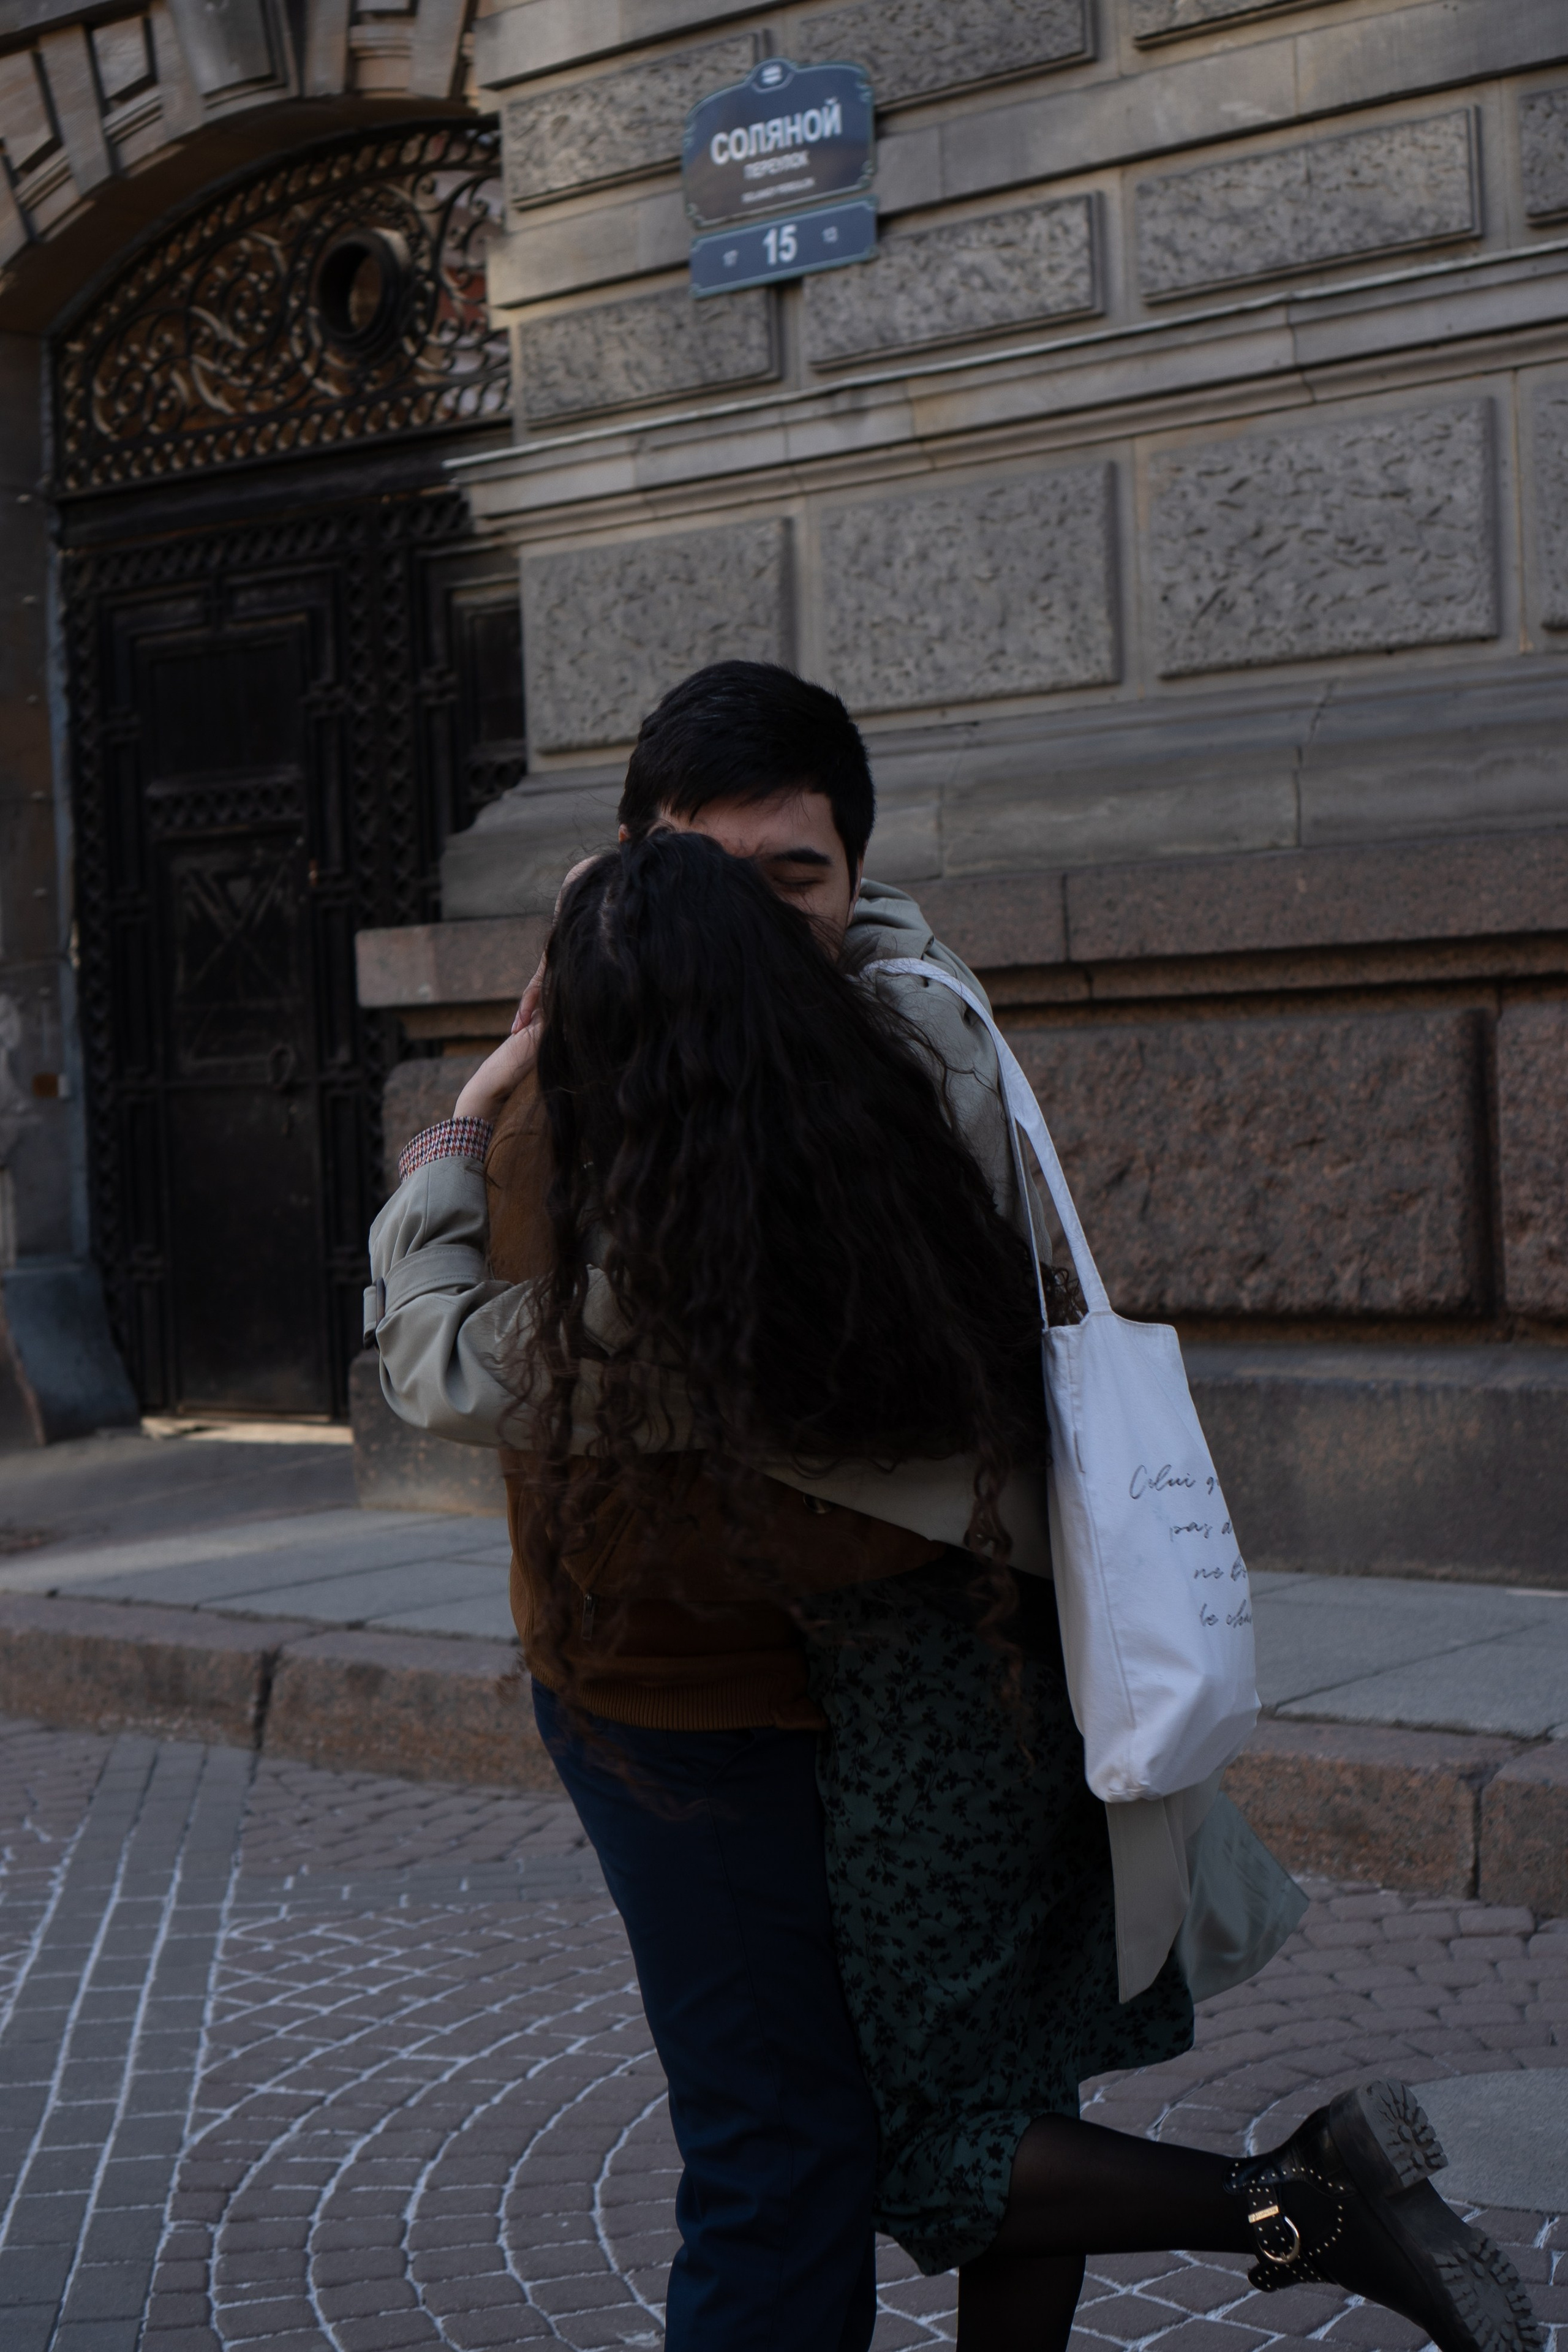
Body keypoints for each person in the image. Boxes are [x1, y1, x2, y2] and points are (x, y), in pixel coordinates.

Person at [366, 670, 1542, 2352]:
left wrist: (461, 1121)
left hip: (889, 1692)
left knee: (916, 2147)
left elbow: (439, 1365)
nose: (770, 924)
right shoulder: (919, 1032)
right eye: (722, 882)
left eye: (799, 880)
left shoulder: (714, 1209)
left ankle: (1304, 2202)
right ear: (632, 866)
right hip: (991, 1644)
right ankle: (1302, 2200)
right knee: (1000, 2086)